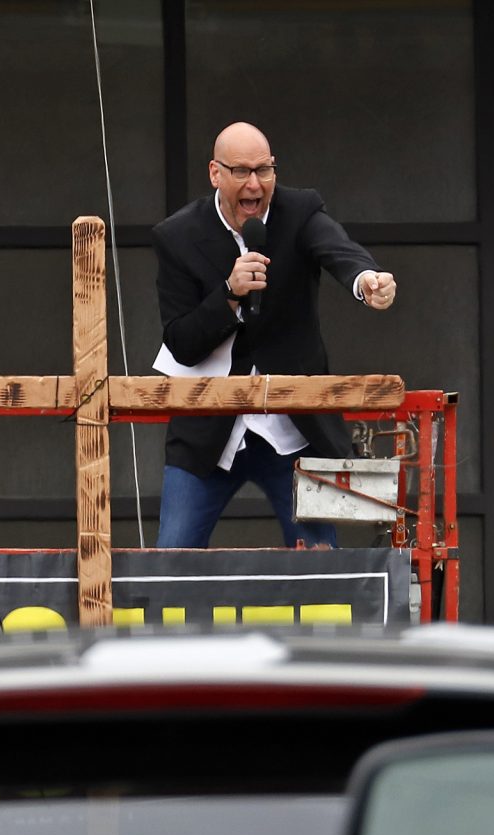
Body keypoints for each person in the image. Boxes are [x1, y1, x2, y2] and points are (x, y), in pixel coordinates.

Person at [152, 122, 399, 550]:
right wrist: (228, 295)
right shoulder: (177, 236)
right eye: (242, 172)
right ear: (215, 173)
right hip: (208, 431)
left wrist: (366, 279)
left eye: (264, 171)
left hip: (293, 425)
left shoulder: (299, 211)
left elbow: (338, 250)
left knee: (322, 568)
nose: (255, 184)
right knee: (172, 560)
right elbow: (181, 343)